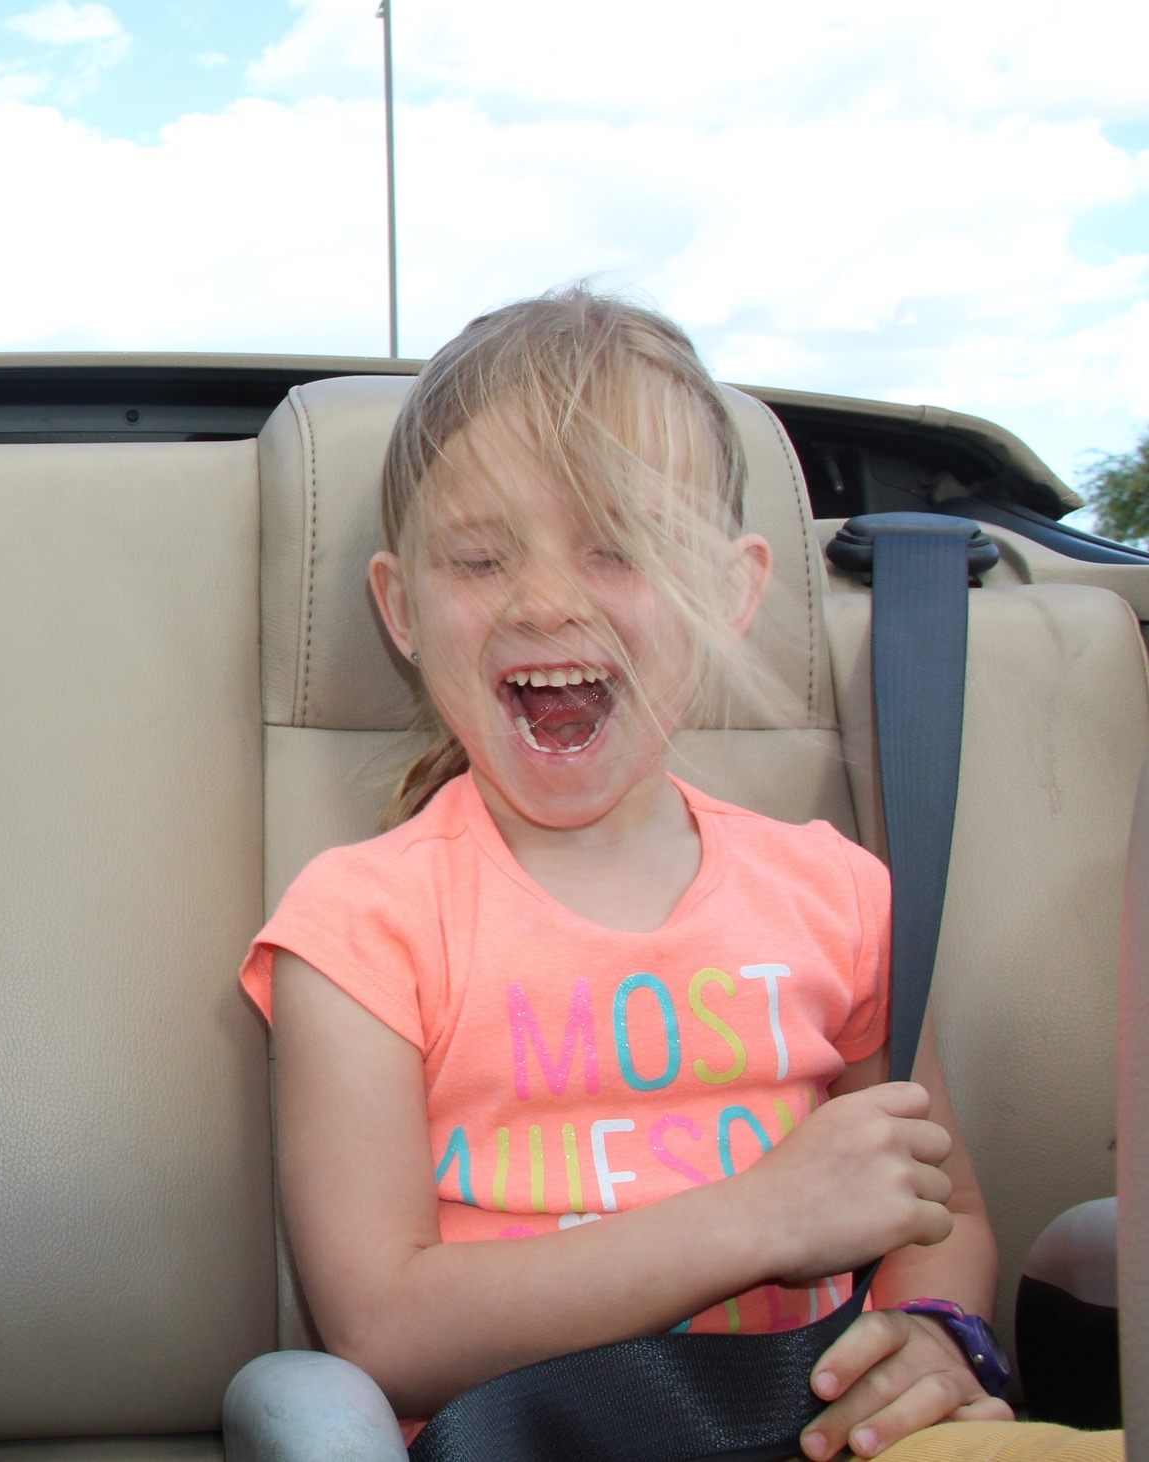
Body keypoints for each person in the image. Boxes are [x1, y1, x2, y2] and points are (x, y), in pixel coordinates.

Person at [229, 287, 1114, 1462]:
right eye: (482, 558)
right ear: (402, 608)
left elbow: (934, 1209)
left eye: (619, 546)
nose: (545, 600)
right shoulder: (362, 928)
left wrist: (935, 1330)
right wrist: (757, 1217)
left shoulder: (838, 896)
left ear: (734, 592)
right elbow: (384, 1326)